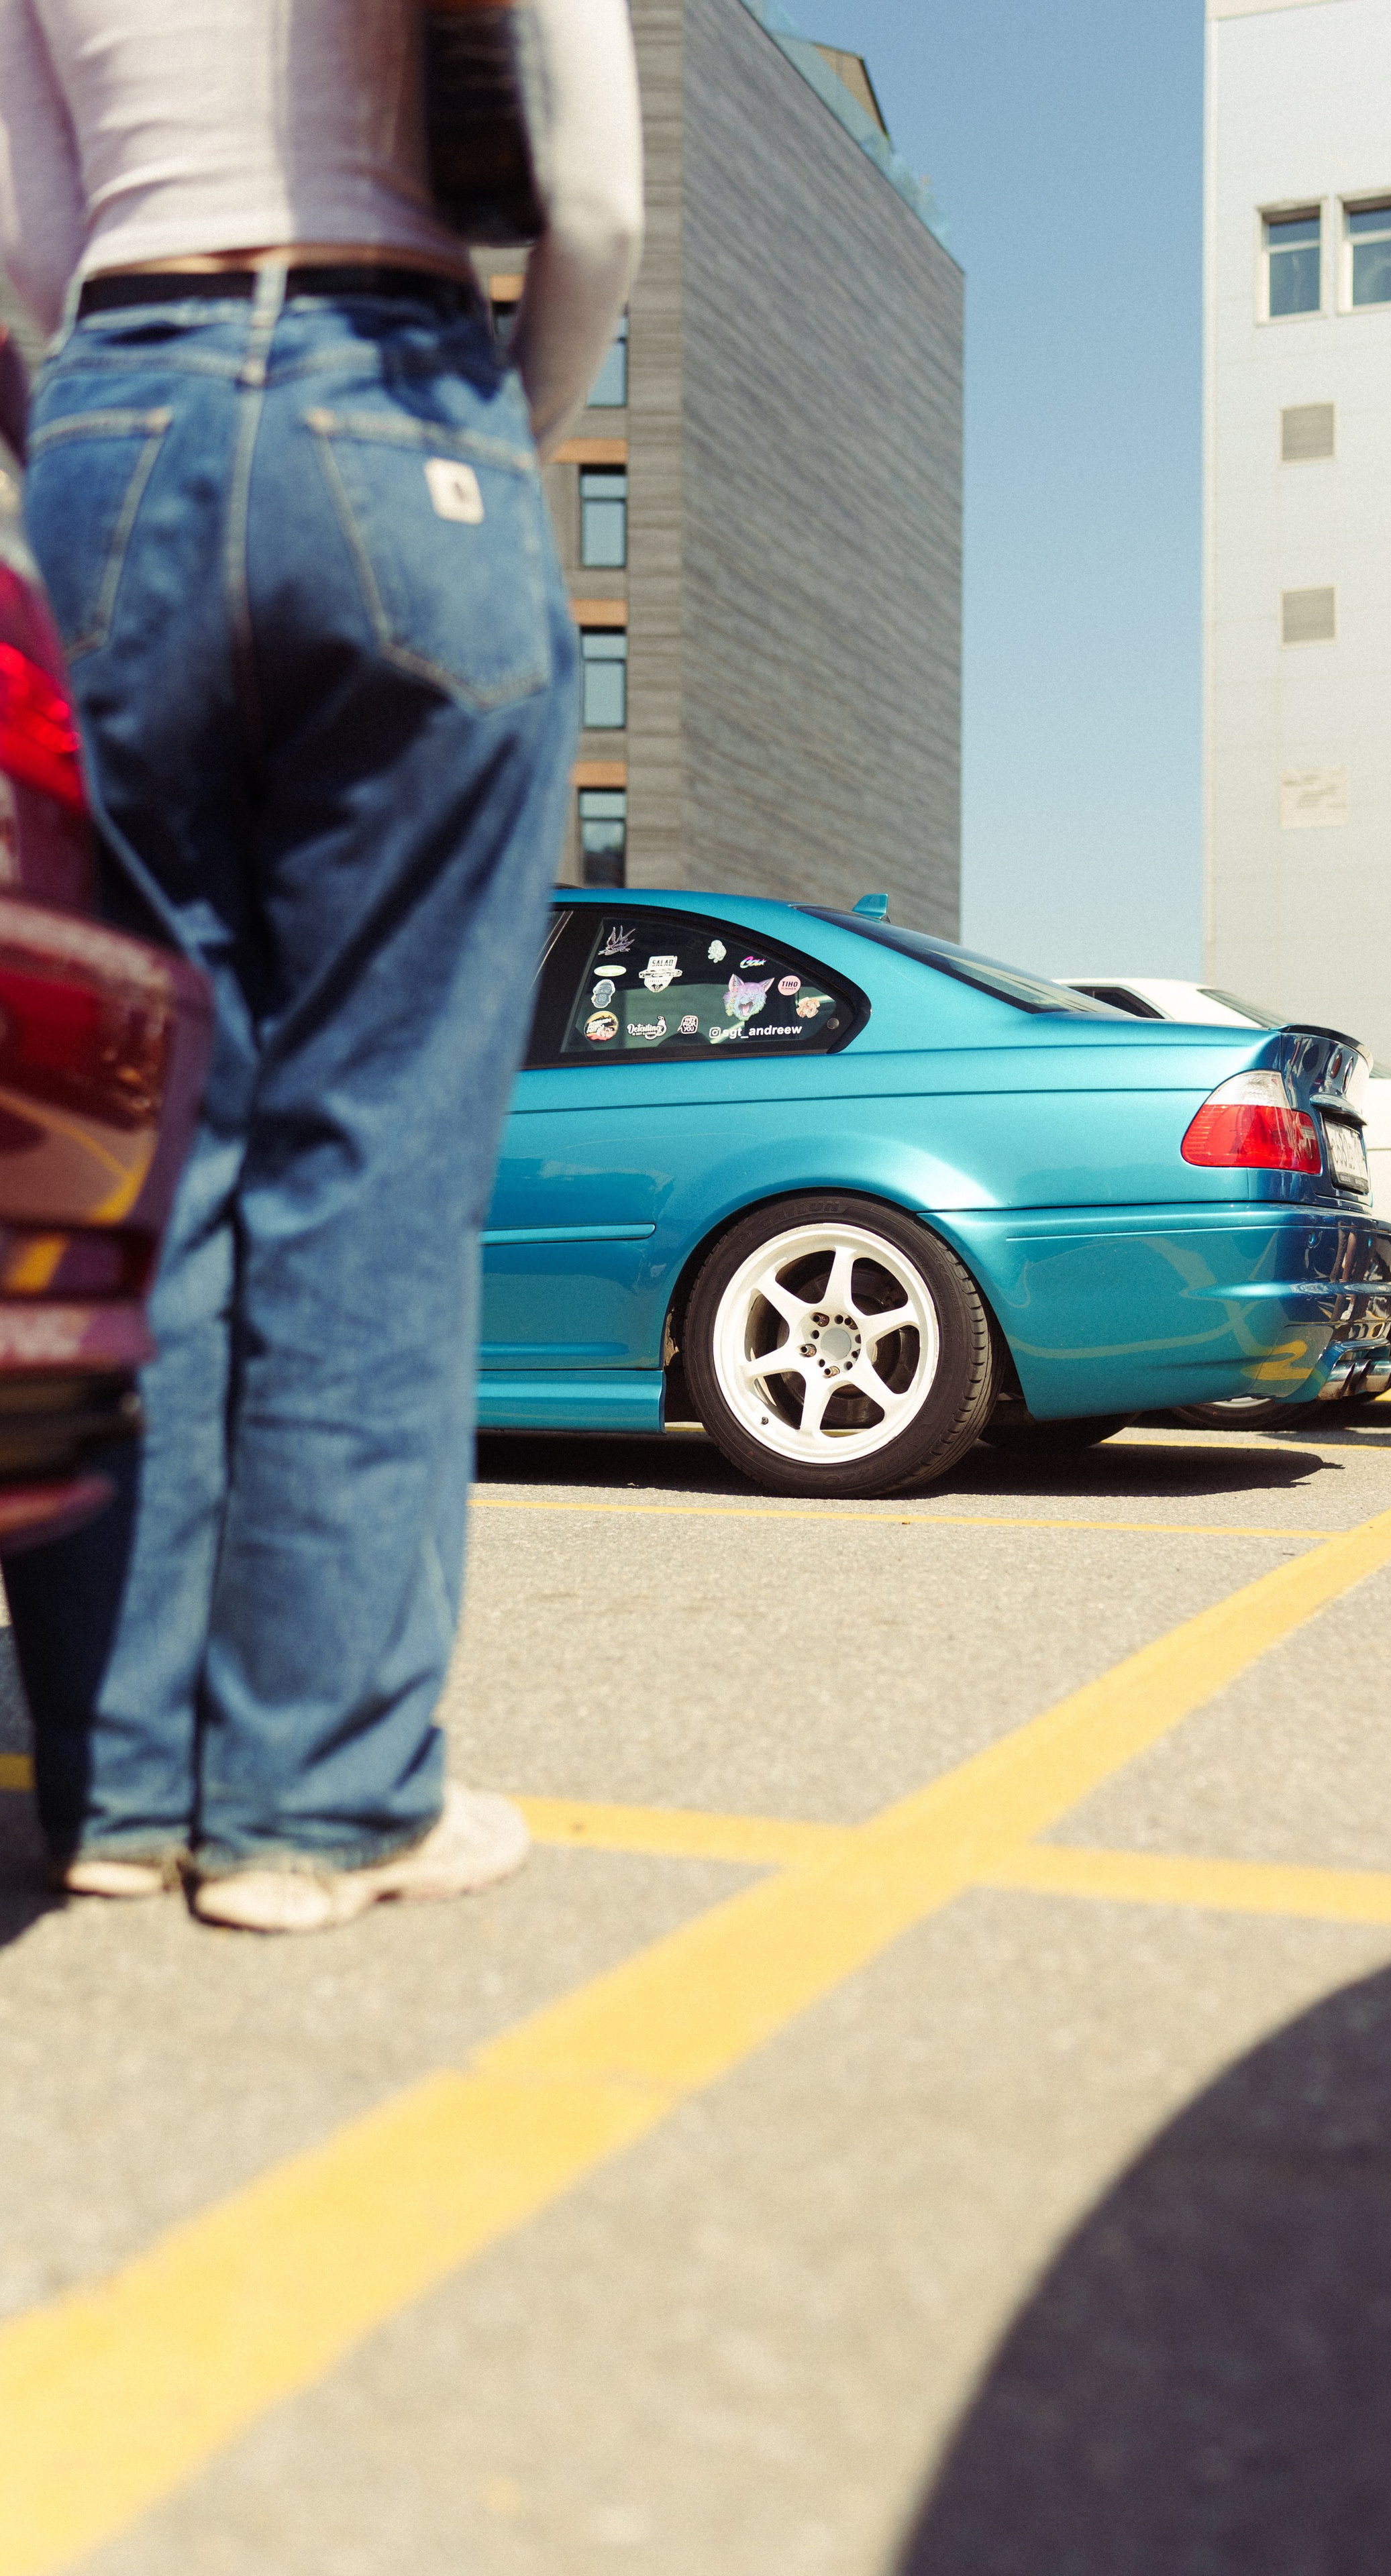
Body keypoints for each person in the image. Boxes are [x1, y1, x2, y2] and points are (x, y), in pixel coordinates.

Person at [0, 1, 643, 1930]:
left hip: (112, 418)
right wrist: (494, 422)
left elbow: (28, 244)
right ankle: (320, 1801)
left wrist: (100, 436)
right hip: (404, 388)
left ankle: (123, 1790)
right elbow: (594, 194)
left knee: (127, 1147)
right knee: (376, 1140)